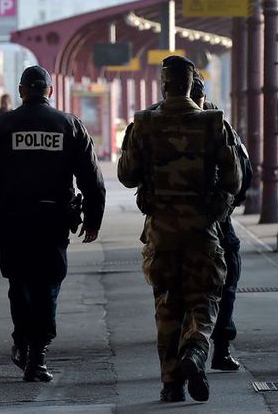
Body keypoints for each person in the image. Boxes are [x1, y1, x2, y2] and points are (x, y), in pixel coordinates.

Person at [0, 65, 106, 382]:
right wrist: (93, 220)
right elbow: (92, 179)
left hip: (13, 220)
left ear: (21, 91)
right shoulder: (69, 125)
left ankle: (22, 341)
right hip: (52, 221)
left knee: (19, 284)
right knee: (48, 285)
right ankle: (38, 354)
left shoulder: (1, 126)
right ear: (50, 91)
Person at [118, 56, 242, 402]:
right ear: (191, 85)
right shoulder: (214, 123)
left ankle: (171, 385)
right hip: (203, 231)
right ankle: (196, 350)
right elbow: (234, 179)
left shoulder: (143, 124)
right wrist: (215, 207)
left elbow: (126, 176)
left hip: (161, 233)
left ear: (164, 85)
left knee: (167, 306)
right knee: (205, 299)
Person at [189, 75, 252, 372]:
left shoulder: (153, 122)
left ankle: (180, 357)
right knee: (226, 279)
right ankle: (220, 349)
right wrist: (226, 206)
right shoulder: (218, 123)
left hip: (166, 223)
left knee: (172, 291)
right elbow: (241, 175)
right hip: (215, 220)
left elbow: (129, 174)